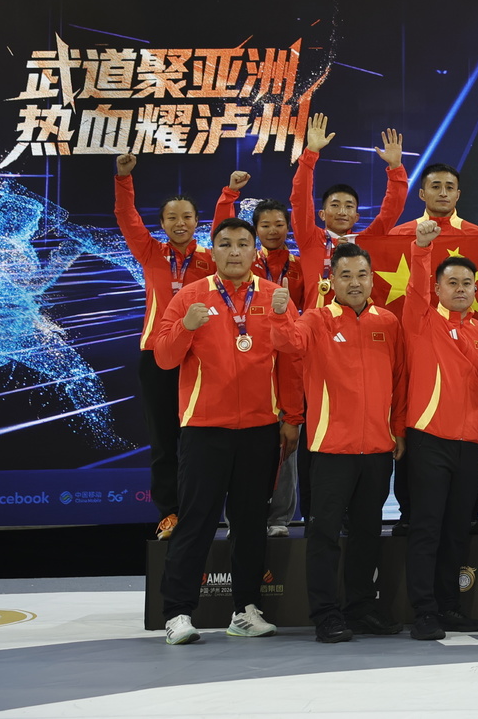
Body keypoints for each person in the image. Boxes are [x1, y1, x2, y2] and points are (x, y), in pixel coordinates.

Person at [152, 218, 298, 645]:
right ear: (212, 251)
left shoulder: (274, 296)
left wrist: (292, 416)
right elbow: (163, 358)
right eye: (225, 244)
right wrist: (186, 327)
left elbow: (293, 358)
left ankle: (245, 610)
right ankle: (177, 612)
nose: (234, 251)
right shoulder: (190, 297)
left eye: (243, 244)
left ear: (255, 251)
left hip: (259, 428)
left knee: (250, 523)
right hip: (204, 428)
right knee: (196, 521)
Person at [282, 242, 406, 643]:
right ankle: (326, 614)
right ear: (331, 280)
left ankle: (361, 608)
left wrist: (398, 430)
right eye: (346, 275)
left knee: (368, 533)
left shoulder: (388, 322)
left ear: (372, 279)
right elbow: (288, 344)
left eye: (362, 275)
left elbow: (400, 380)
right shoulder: (315, 320)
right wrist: (281, 312)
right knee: (324, 535)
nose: (355, 283)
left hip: (377, 449)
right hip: (330, 449)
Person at [401, 219, 478, 641]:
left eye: (467, 284)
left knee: (458, 529)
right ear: (437, 288)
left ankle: (449, 606)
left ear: (475, 290)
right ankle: (424, 612)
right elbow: (415, 288)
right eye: (452, 282)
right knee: (427, 528)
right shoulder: (421, 319)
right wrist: (422, 249)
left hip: (467, 445)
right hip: (428, 440)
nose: (460, 289)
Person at [114, 152, 216, 541]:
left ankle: (201, 510)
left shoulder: (210, 260)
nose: (179, 223)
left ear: (197, 222)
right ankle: (170, 513)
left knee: (198, 438)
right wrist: (124, 178)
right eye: (172, 218)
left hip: (199, 356)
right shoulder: (150, 252)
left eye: (186, 216)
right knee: (163, 439)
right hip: (155, 356)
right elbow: (127, 218)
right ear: (162, 224)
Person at [214, 178, 304, 538]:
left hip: (288, 352)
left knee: (285, 450)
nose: (272, 230)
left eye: (279, 224)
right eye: (264, 225)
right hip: (244, 366)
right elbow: (223, 230)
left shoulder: (299, 265)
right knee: (237, 456)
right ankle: (236, 518)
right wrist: (228, 195)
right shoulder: (237, 268)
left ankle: (280, 518)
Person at [290, 113, 408, 312]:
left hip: (358, 324)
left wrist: (395, 168)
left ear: (356, 217)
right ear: (322, 214)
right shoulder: (309, 238)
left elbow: (391, 210)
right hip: (316, 326)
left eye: (349, 206)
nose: (342, 212)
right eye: (335, 205)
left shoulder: (367, 241)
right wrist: (310, 153)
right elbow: (300, 200)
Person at [390, 163, 478, 235]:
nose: (443, 194)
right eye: (436, 187)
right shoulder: (400, 234)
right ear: (422, 194)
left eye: (449, 188)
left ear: (457, 195)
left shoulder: (476, 234)